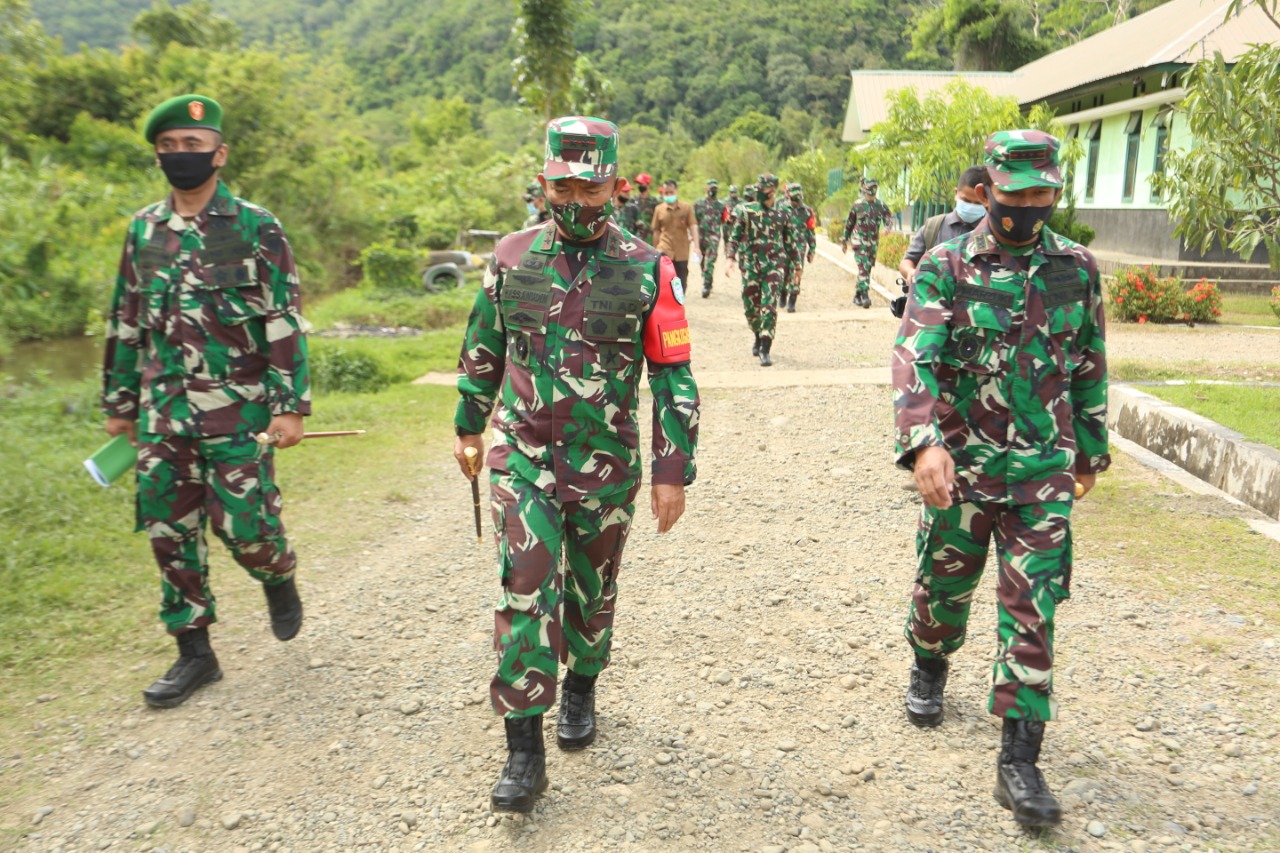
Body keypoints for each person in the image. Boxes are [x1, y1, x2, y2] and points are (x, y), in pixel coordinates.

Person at [453, 116, 700, 814]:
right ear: (543, 183)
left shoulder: (648, 268)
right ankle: (523, 751)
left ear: (615, 187)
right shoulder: (510, 257)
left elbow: (673, 374)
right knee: (525, 587)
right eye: (562, 187)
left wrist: (672, 467)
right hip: (523, 457)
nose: (575, 201)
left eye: (590, 189)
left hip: (606, 464)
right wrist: (468, 424)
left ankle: (583, 684)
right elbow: (483, 347)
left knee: (591, 594)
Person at [892, 130, 1109, 829]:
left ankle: (1019, 760)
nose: (1029, 206)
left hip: (1042, 470)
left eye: (1043, 193)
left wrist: (1089, 453)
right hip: (961, 467)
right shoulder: (948, 264)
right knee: (943, 588)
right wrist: (923, 442)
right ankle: (930, 660)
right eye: (1017, 193)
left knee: (1033, 605)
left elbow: (1089, 362)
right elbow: (915, 357)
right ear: (989, 188)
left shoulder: (1077, 268)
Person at [102, 94, 310, 709]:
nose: (180, 155)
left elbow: (283, 319)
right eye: (168, 147)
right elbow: (125, 319)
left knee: (247, 529)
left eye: (192, 145)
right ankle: (194, 650)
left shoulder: (255, 227)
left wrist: (289, 405)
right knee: (169, 532)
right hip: (162, 411)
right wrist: (119, 404)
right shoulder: (143, 229)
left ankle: (277, 573)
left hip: (238, 411)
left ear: (219, 154)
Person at [725, 174, 798, 367]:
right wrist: (730, 258)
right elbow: (735, 237)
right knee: (751, 306)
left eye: (763, 188)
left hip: (774, 266)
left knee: (769, 305)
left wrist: (797, 267)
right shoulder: (746, 211)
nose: (759, 191)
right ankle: (757, 333)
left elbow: (790, 243)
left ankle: (766, 346)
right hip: (751, 266)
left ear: (772, 191)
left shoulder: (782, 214)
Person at [898, 166, 989, 281]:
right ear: (956, 193)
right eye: (966, 200)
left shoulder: (991, 231)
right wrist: (911, 272)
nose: (971, 206)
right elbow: (907, 261)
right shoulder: (934, 226)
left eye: (978, 203)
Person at [840, 177, 893, 308]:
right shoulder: (857, 205)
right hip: (859, 241)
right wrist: (844, 240)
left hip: (873, 242)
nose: (871, 196)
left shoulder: (880, 205)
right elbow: (849, 223)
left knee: (867, 268)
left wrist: (887, 227)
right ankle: (865, 295)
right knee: (863, 266)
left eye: (873, 194)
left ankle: (857, 295)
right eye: (869, 193)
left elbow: (888, 217)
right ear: (864, 191)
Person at [651, 179, 700, 289]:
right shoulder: (659, 209)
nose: (669, 195)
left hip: (681, 251)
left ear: (676, 191)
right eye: (666, 193)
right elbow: (656, 231)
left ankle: (679, 299)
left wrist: (697, 247)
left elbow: (693, 227)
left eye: (671, 192)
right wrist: (654, 250)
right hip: (664, 248)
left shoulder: (686, 208)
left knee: (681, 280)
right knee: (664, 280)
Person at [779, 182, 817, 313]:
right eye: (793, 197)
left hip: (799, 247)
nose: (796, 200)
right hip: (783, 246)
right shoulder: (781, 209)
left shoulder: (807, 211)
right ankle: (783, 291)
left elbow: (811, 231)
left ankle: (792, 299)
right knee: (783, 273)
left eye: (798, 197)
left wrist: (812, 250)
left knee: (797, 272)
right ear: (788, 195)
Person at [692, 179, 727, 298]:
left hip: (714, 236)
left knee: (710, 260)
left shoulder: (721, 205)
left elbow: (724, 220)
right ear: (706, 189)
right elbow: (693, 221)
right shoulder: (698, 204)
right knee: (701, 260)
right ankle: (707, 278)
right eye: (711, 188)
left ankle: (706, 285)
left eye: (715, 189)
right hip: (701, 235)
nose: (713, 190)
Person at [632, 172, 657, 243]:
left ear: (648, 184)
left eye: (641, 183)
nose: (639, 186)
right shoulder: (632, 200)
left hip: (649, 238)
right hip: (635, 237)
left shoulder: (654, 202)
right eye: (638, 184)